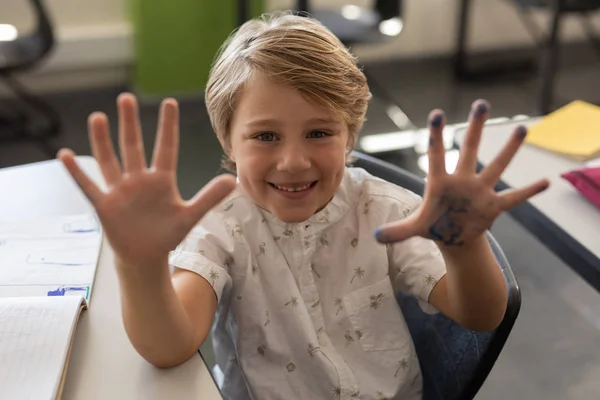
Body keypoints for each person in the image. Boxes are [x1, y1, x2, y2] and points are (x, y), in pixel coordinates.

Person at [57, 12, 549, 400]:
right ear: (227, 141)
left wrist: (465, 249)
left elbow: (481, 316)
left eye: (319, 133)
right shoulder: (221, 224)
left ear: (351, 134)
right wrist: (139, 266)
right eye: (265, 136)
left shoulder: (385, 212)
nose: (293, 161)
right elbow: (170, 346)